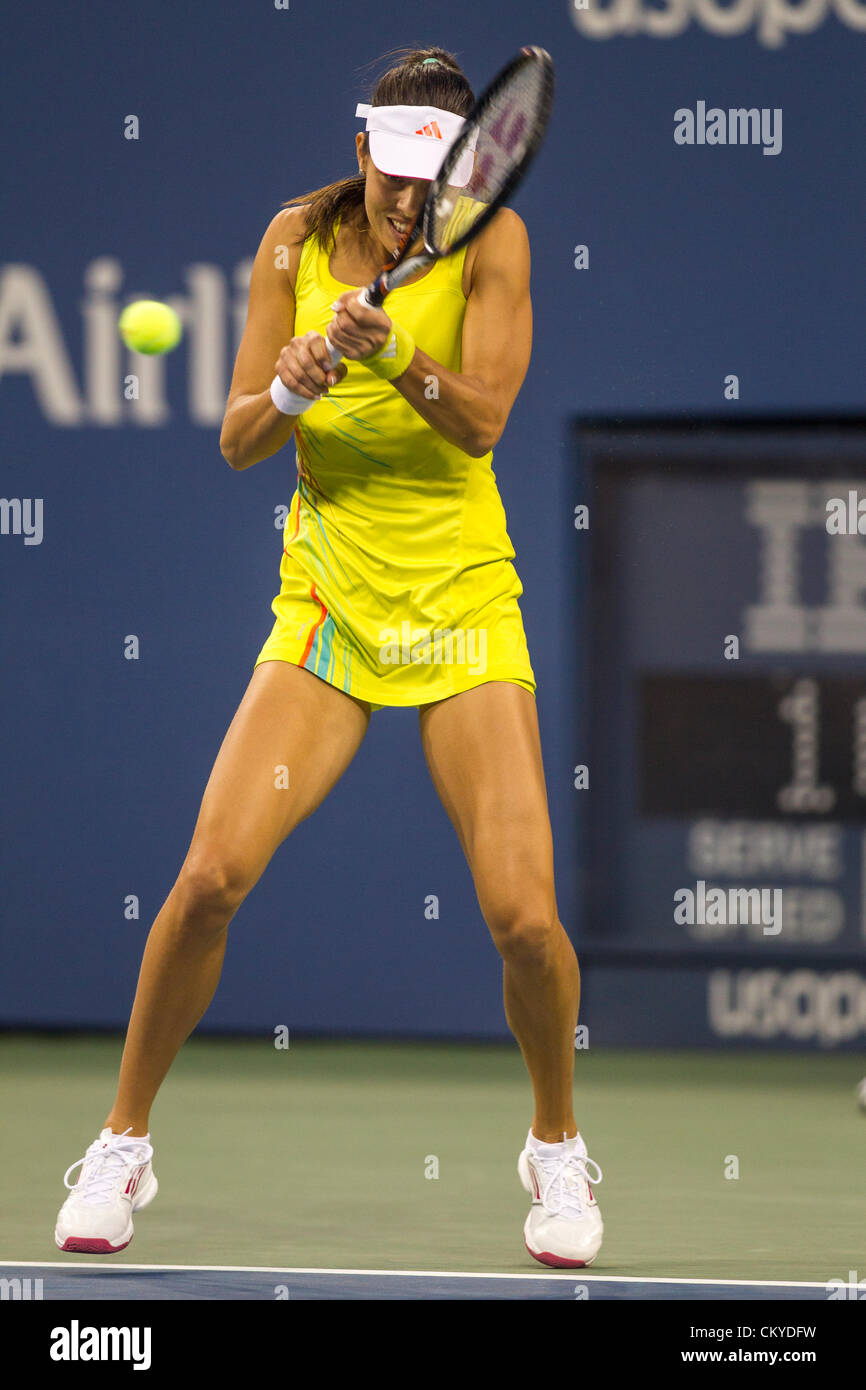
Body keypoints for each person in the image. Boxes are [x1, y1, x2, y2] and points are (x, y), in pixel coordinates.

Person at [54, 46, 602, 1269]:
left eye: (434, 177)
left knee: (521, 917)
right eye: (393, 167)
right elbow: (238, 440)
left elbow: (482, 421)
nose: (409, 198)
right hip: (327, 607)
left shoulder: (491, 245)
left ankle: (554, 1144)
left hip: (460, 603)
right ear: (359, 145)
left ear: (465, 169)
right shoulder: (290, 244)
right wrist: (296, 383)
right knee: (206, 881)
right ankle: (120, 1140)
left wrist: (393, 355)